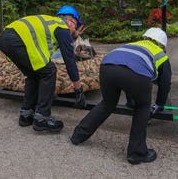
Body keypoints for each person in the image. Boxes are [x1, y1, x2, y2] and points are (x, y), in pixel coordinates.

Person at [70, 27, 170, 165]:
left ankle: (78, 135)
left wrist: (131, 100)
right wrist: (159, 104)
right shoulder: (161, 54)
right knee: (143, 107)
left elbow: (126, 69)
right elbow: (165, 84)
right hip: (135, 74)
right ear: (162, 44)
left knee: (107, 104)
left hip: (107, 66)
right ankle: (136, 153)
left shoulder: (132, 44)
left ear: (145, 37)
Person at [0, 5, 87, 133]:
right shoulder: (61, 27)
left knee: (34, 75)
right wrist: (78, 89)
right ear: (69, 21)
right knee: (49, 71)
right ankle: (42, 118)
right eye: (75, 25)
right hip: (17, 40)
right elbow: (70, 60)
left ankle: (26, 114)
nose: (73, 31)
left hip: (5, 38)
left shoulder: (50, 24)